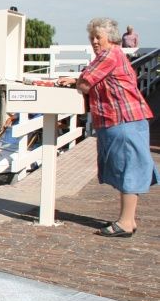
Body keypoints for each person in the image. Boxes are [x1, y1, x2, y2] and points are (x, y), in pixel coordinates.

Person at [58, 17, 158, 238]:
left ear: (109, 38)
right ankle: (128, 219)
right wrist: (78, 79)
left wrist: (78, 81)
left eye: (98, 37)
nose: (94, 41)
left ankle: (124, 222)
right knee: (129, 167)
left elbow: (85, 83)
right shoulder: (115, 55)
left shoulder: (108, 54)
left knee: (127, 168)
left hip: (123, 119)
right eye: (91, 37)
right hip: (128, 119)